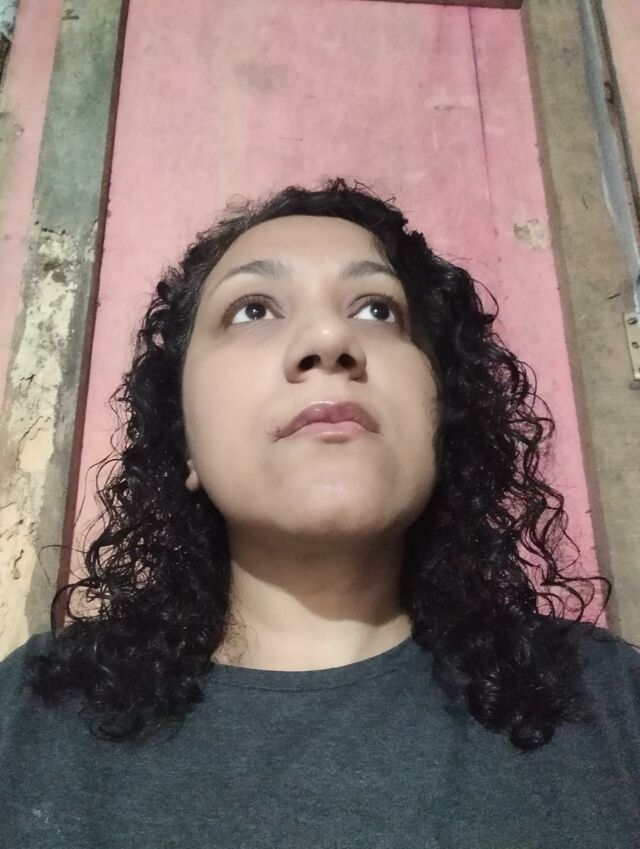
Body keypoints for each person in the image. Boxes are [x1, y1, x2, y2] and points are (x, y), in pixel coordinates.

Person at [1, 177, 638, 848]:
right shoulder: (27, 718)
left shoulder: (608, 700)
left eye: (377, 309)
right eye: (252, 309)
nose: (331, 337)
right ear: (183, 439)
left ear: (443, 414)